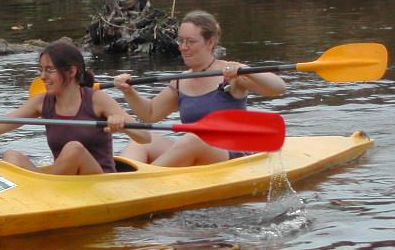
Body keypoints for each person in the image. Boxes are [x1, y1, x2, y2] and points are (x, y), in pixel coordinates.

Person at [113, 10, 286, 167]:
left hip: (231, 155)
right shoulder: (180, 81)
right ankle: (122, 181)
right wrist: (128, 91)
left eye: (191, 41)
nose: (183, 47)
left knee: (193, 139)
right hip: (194, 149)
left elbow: (278, 88)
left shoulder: (231, 74)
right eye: (181, 40)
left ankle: (145, 180)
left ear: (210, 42)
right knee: (142, 142)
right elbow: (150, 114)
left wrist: (245, 69)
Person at [0, 41, 149, 175]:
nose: (42, 76)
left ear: (71, 71)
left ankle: (44, 190)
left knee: (74, 148)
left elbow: (145, 137)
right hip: (62, 179)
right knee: (11, 156)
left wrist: (122, 124)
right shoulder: (41, 102)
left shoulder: (97, 99)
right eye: (41, 69)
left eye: (49, 70)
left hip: (98, 180)